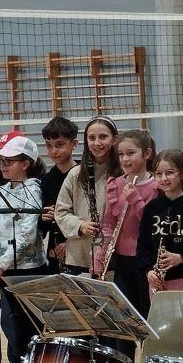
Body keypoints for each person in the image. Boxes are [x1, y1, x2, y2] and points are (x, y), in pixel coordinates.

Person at [0, 134, 47, 363]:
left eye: (9, 161)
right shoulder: (0, 191)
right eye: (2, 161)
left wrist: (3, 263)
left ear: (26, 163)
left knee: (30, 324)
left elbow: (27, 234)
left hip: (27, 270)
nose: (4, 166)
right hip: (2, 270)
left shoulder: (33, 189)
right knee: (13, 324)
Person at [96, 129, 159, 316]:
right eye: (121, 154)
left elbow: (152, 224)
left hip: (147, 260)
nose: (125, 159)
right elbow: (108, 224)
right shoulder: (115, 184)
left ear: (146, 154)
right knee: (124, 314)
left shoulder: (156, 186)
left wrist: (135, 199)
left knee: (147, 312)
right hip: (122, 261)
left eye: (130, 153)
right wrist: (100, 256)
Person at [54, 117, 121, 275]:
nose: (97, 143)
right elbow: (61, 212)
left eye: (103, 137)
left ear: (115, 139)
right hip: (79, 255)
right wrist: (80, 226)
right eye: (92, 138)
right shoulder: (76, 174)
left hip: (114, 256)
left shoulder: (123, 173)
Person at [138, 150, 183, 295]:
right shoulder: (151, 207)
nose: (164, 178)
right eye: (158, 174)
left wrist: (182, 257)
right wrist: (148, 270)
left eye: (169, 172)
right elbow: (143, 245)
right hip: (156, 280)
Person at [40, 116, 78, 273]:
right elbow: (42, 229)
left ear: (74, 144)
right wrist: (42, 218)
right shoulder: (46, 180)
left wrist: (70, 243)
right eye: (49, 146)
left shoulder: (83, 175)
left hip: (79, 249)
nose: (53, 151)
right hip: (55, 252)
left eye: (59, 145)